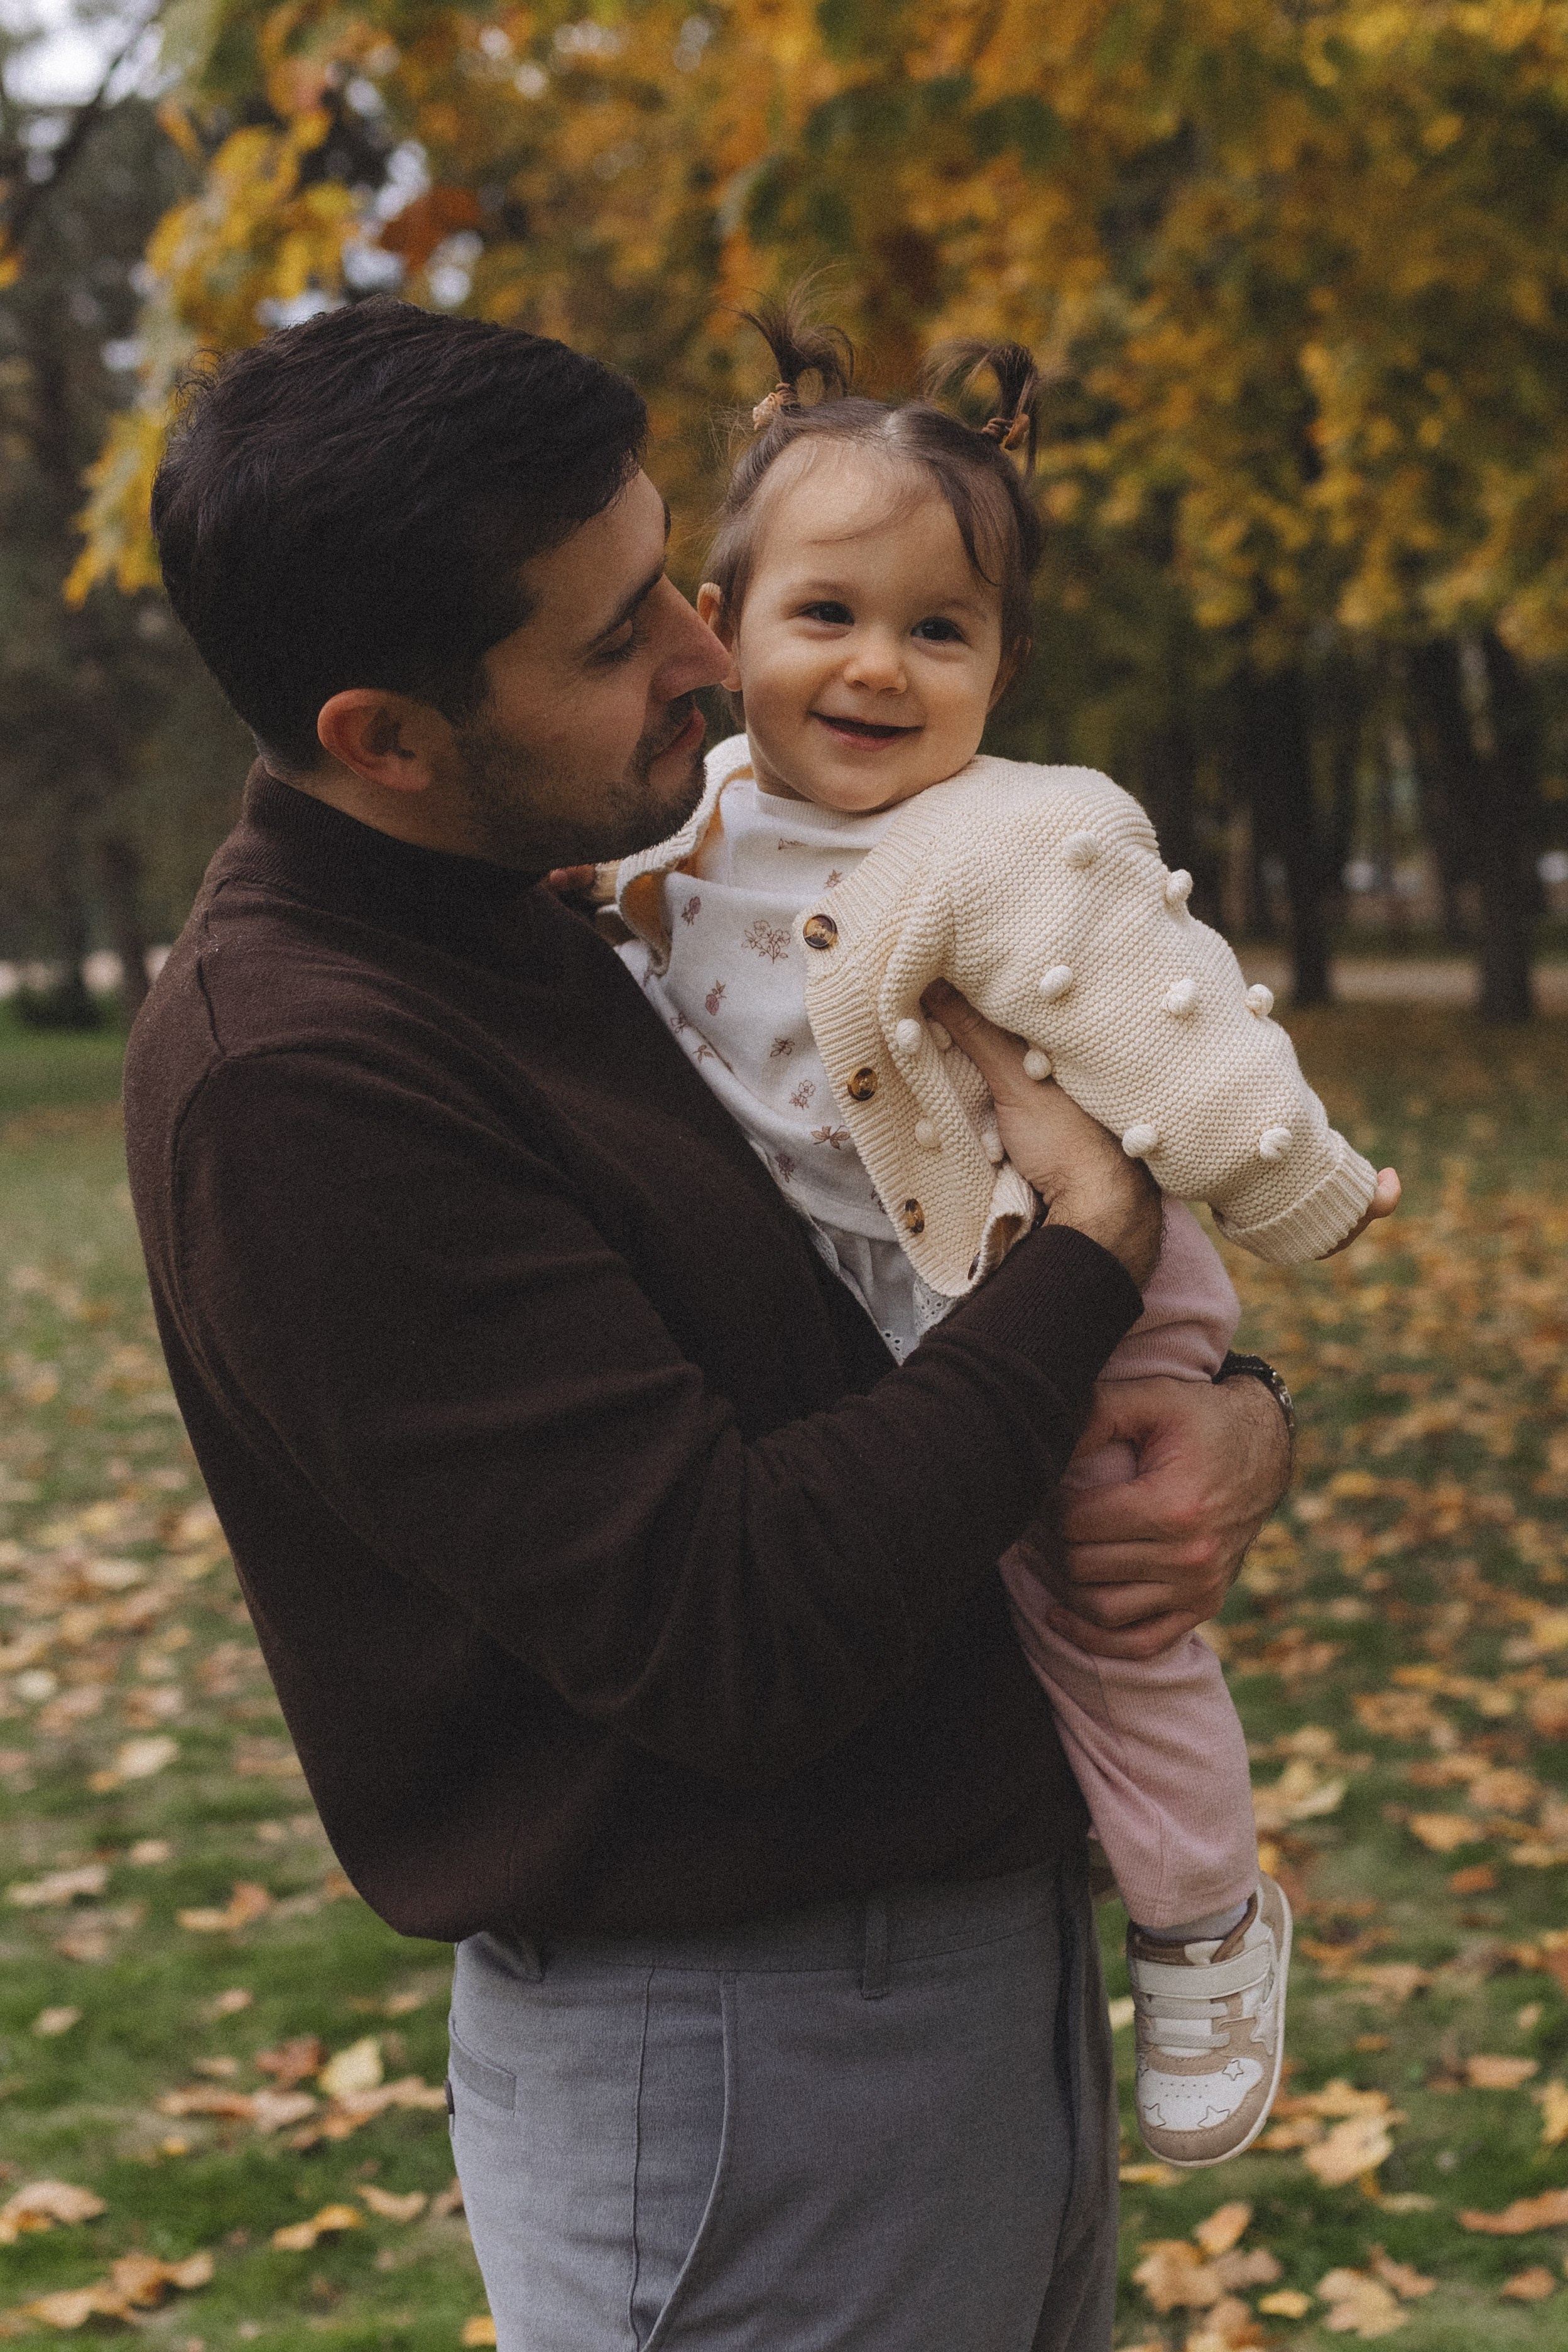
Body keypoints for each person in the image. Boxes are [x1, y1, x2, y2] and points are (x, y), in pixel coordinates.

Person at [124, 297, 1293, 2351]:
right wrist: (1095, 1251)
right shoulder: (302, 1081)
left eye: (674, 569)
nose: (707, 648)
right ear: (383, 737)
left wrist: (1233, 1408)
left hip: (969, 1978)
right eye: (613, 638)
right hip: (748, 2065)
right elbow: (733, 1627)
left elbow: (890, 1294)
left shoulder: (589, 899)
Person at [614, 300, 1400, 2170]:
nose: (878, 667)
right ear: (724, 626)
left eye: (940, 630)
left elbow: (1176, 1027)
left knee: (1104, 1605)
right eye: (827, 613)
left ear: (1005, 664)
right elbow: (638, 914)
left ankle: (1205, 1917)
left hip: (1082, 1270)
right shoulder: (701, 813)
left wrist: (1302, 1183)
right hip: (914, 1284)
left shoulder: (1027, 838)